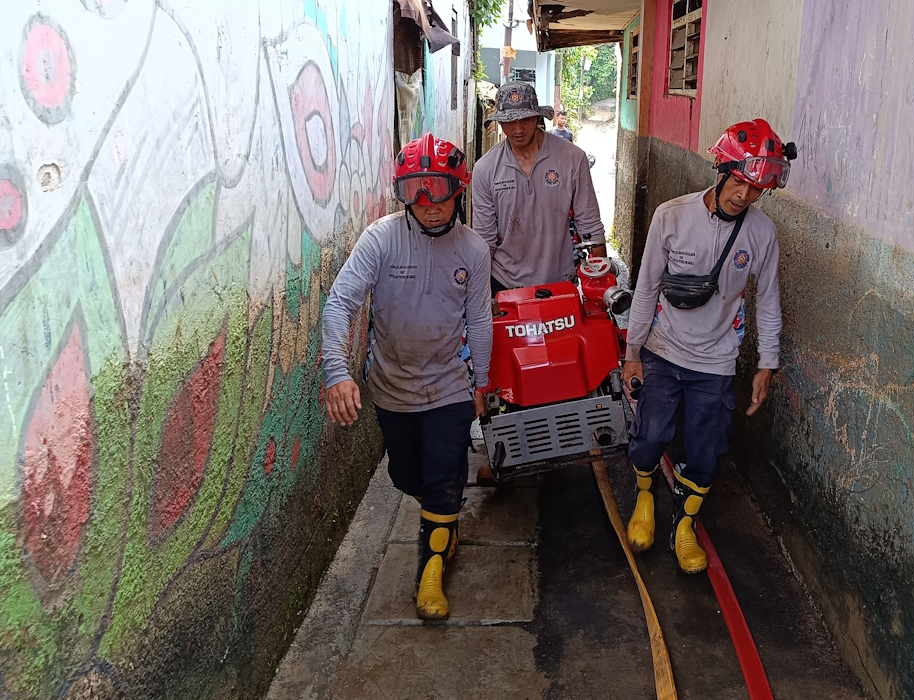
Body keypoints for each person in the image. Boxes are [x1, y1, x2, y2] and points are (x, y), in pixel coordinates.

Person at [321, 134, 492, 620]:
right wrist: (337, 371)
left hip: (450, 386)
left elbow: (479, 320)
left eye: (438, 186)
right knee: (405, 475)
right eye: (415, 187)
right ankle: (442, 518)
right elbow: (340, 303)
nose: (428, 201)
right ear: (402, 191)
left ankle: (430, 572)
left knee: (444, 478)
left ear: (458, 190)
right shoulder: (380, 239)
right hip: (391, 388)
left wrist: (482, 383)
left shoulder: (474, 251)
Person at [621, 119, 795, 574]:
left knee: (706, 450)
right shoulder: (671, 216)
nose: (744, 195)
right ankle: (645, 496)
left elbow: (770, 298)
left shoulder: (761, 235)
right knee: (650, 435)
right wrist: (632, 352)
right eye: (739, 181)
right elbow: (645, 287)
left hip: (716, 360)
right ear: (722, 170)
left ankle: (684, 522)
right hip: (662, 347)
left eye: (756, 189)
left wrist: (767, 363)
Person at [472, 82, 606, 295]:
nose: (517, 129)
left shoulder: (572, 158)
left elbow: (590, 228)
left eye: (525, 119)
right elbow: (484, 240)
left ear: (536, 117)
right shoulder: (485, 169)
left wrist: (600, 286)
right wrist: (478, 295)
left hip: (560, 282)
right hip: (505, 284)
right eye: (509, 121)